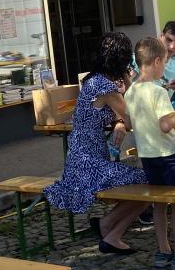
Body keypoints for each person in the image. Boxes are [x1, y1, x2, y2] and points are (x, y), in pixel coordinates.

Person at [44, 32, 149, 254]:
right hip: (88, 167)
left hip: (82, 162)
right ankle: (112, 233)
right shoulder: (104, 86)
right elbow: (135, 114)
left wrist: (119, 122)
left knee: (145, 179)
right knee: (150, 181)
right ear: (121, 59)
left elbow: (118, 115)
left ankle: (107, 226)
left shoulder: (94, 81)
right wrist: (129, 81)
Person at [127, 37, 175, 270]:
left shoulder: (131, 92)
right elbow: (165, 125)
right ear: (157, 61)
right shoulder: (158, 92)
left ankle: (163, 250)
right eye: (164, 63)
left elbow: (129, 122)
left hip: (147, 156)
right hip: (167, 155)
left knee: (158, 204)